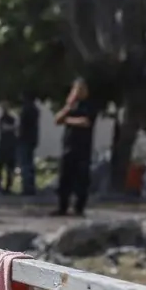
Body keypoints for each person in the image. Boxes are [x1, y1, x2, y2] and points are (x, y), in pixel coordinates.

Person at [54, 78, 96, 216]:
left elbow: (85, 122)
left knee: (81, 179)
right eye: (76, 89)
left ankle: (79, 208)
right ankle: (62, 207)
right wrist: (68, 107)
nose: (78, 92)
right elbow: (57, 120)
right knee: (65, 178)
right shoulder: (72, 105)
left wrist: (68, 120)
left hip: (83, 148)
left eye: (81, 89)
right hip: (68, 146)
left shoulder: (89, 105)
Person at [17, 92, 40, 196]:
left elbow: (22, 127)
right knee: (30, 164)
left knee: (25, 164)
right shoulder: (35, 110)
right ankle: (31, 186)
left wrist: (18, 136)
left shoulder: (25, 110)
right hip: (32, 139)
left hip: (24, 139)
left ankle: (27, 187)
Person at [0, 105, 18, 193]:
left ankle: (8, 185)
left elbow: (12, 128)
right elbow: (5, 128)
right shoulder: (2, 119)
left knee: (9, 167)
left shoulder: (11, 118)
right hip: (4, 145)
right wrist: (12, 128)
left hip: (10, 145)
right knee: (0, 166)